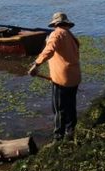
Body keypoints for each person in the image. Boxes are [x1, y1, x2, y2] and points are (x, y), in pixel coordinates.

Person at [28, 12, 81, 142]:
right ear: (66, 24)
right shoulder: (70, 35)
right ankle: (71, 131)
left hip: (62, 79)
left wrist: (36, 64)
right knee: (70, 106)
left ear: (56, 24)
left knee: (59, 109)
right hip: (74, 77)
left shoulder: (56, 33)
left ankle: (58, 137)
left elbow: (49, 50)